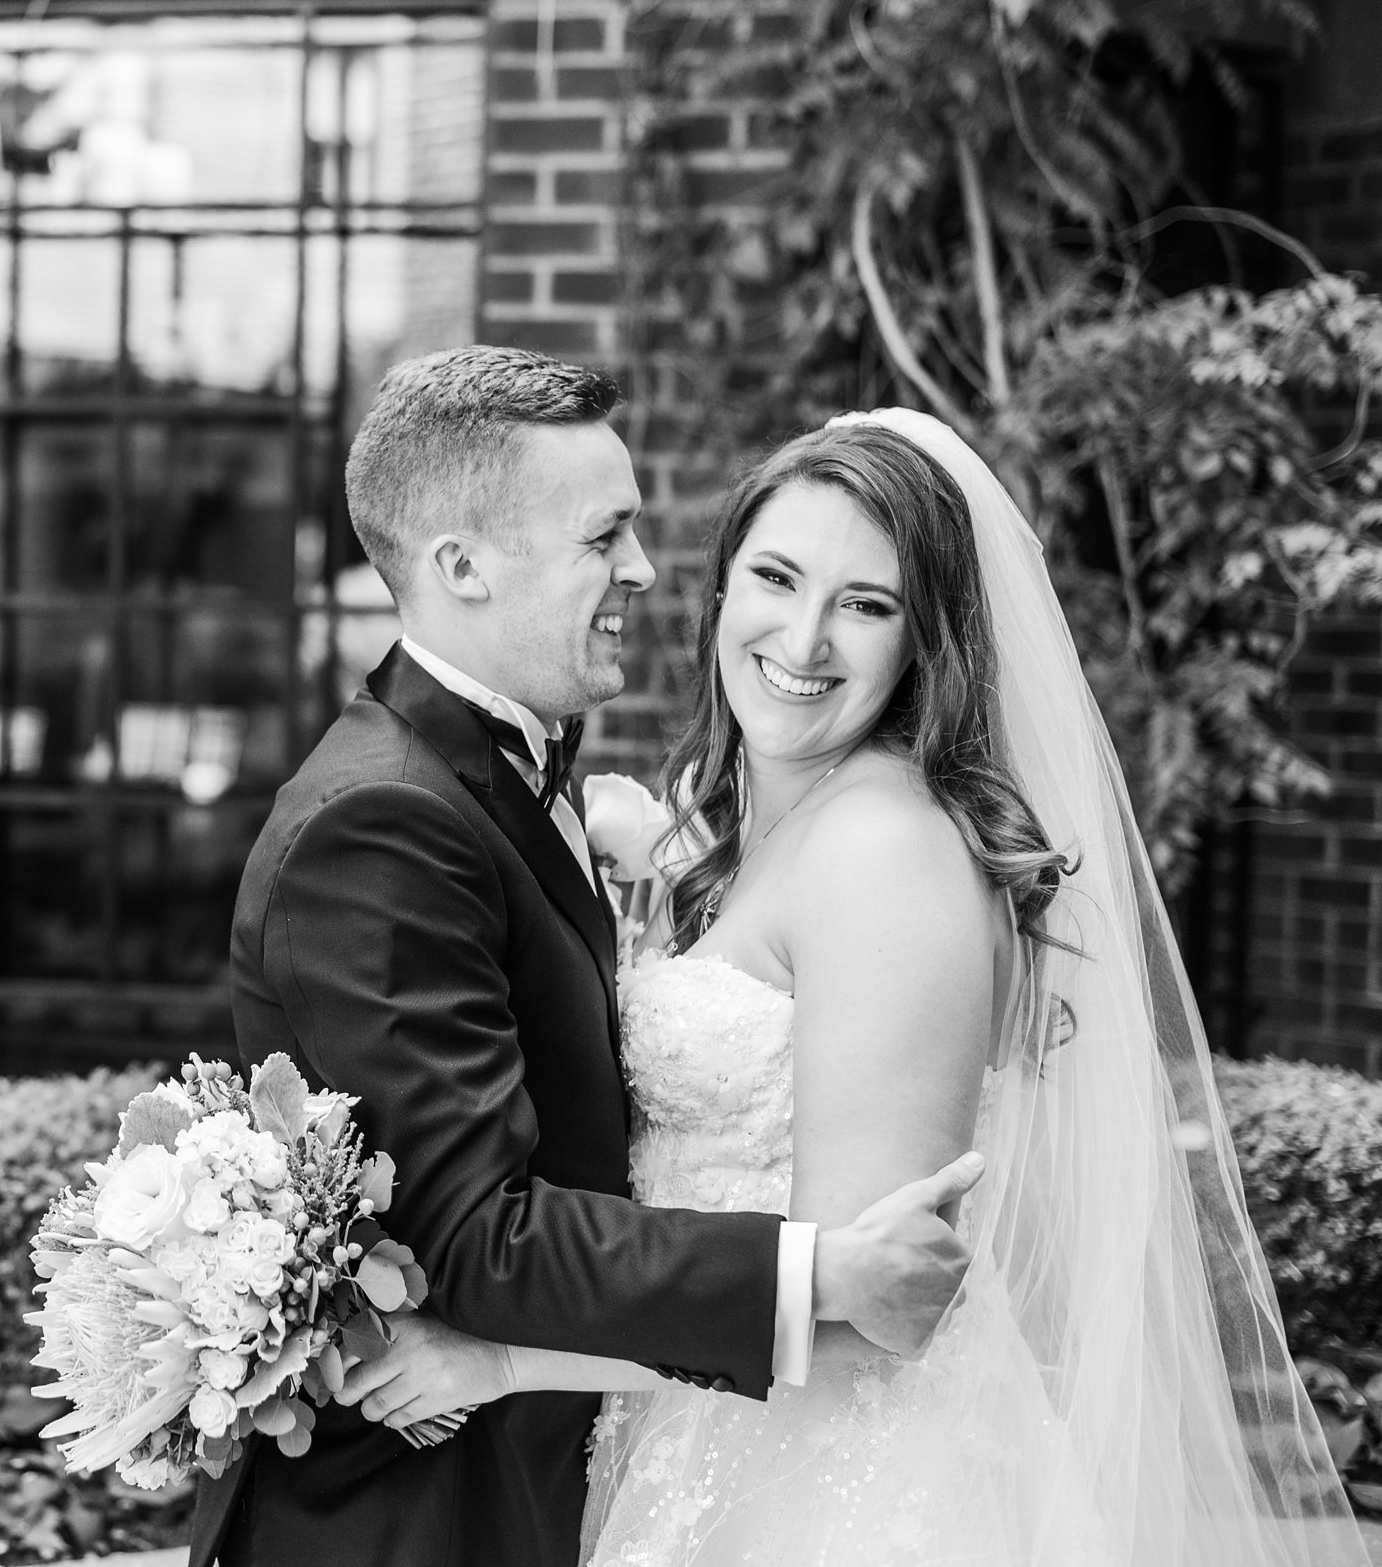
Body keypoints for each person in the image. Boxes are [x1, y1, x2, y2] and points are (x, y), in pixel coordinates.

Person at [336, 409, 1368, 1565]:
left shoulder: (888, 852)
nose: (806, 637)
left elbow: (870, 1319)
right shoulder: (752, 824)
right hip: (691, 1429)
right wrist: (624, 825)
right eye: (776, 577)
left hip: (832, 1487)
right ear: (722, 591)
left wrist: (502, 1360)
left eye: (868, 606)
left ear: (922, 643)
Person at [187, 350, 991, 1567]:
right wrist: (818, 1272)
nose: (643, 569)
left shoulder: (531, 784)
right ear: (461, 566)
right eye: (604, 535)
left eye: (869, 603)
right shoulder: (385, 819)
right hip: (417, 1514)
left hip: (716, 1463)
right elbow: (478, 1234)